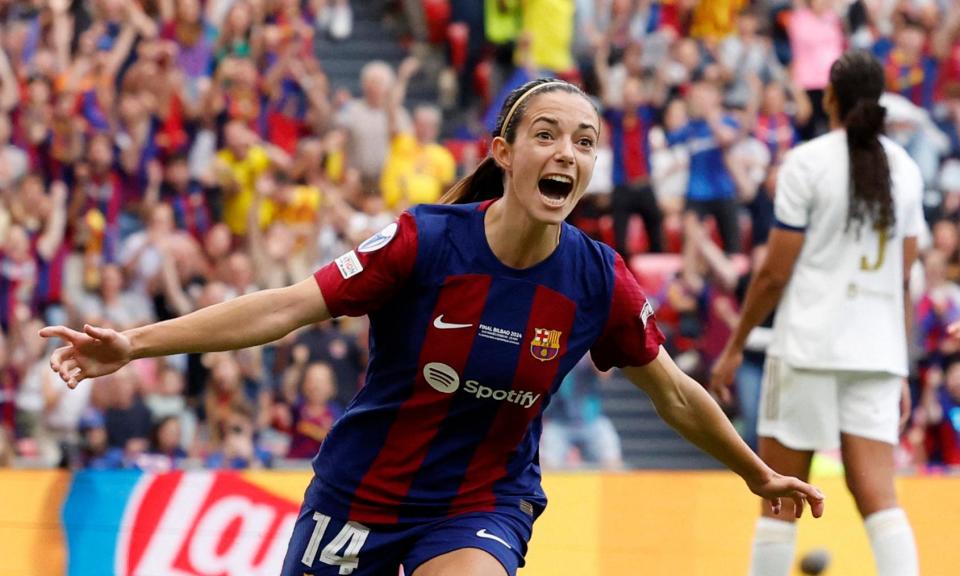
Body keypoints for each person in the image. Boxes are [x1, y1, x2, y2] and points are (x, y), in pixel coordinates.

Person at [41, 78, 823, 576]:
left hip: (481, 504)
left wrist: (756, 471)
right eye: (547, 134)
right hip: (358, 498)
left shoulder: (598, 278)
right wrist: (135, 343)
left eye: (585, 142)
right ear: (505, 154)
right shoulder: (424, 240)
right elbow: (283, 305)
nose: (568, 153)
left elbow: (676, 395)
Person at [711, 51, 922, 576]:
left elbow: (775, 273)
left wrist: (735, 345)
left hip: (808, 346)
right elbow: (901, 278)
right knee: (880, 497)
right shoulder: (908, 169)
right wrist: (900, 364)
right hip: (876, 352)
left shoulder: (808, 162)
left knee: (778, 498)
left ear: (828, 97)